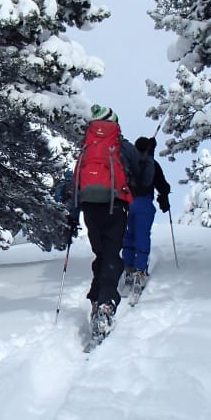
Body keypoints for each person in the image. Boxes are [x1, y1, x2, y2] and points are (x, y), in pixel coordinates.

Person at [74, 104, 140, 342]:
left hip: (90, 205)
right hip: (116, 204)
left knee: (101, 253)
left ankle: (96, 297)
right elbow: (138, 171)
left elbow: (76, 176)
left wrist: (74, 209)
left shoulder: (87, 145)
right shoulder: (121, 146)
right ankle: (105, 304)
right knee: (112, 253)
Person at [122, 135, 171, 290]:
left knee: (128, 235)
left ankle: (127, 268)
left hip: (128, 203)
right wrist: (164, 199)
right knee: (142, 236)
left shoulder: (129, 162)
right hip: (145, 204)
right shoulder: (152, 164)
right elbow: (163, 186)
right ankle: (140, 271)